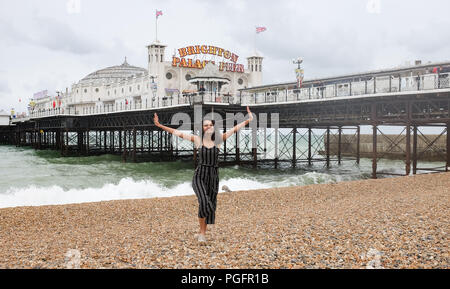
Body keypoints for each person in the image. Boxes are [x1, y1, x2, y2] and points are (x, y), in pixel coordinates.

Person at [153, 106, 254, 243]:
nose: (208, 127)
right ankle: (206, 223)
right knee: (204, 202)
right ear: (202, 128)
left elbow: (235, 129)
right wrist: (160, 125)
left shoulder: (219, 140)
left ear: (213, 127)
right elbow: (176, 132)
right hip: (200, 175)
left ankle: (202, 233)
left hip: (213, 176)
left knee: (205, 204)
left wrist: (249, 119)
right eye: (205, 125)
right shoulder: (197, 140)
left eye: (210, 125)